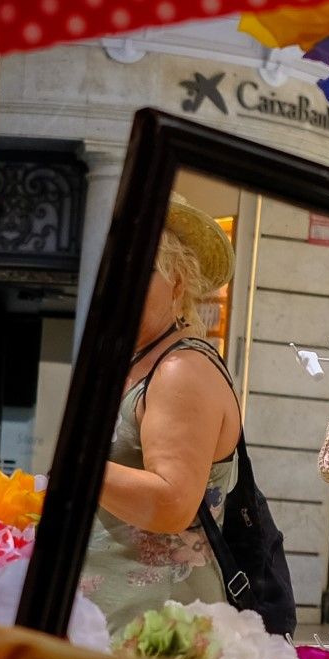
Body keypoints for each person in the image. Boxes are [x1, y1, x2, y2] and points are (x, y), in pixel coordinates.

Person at [81, 196, 242, 634]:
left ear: (178, 282)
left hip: (157, 634)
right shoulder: (139, 361)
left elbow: (172, 502)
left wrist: (80, 469)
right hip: (119, 625)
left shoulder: (179, 370)